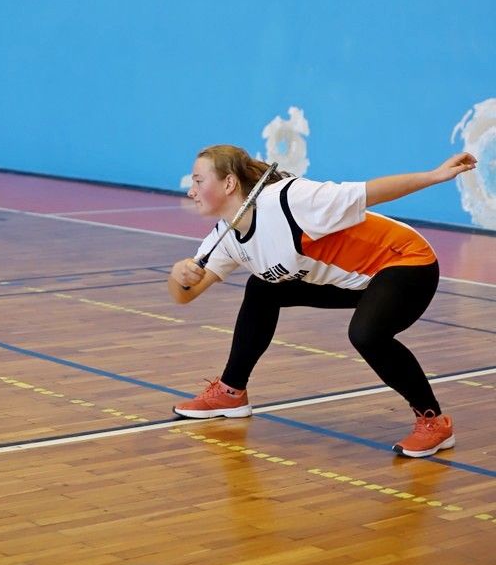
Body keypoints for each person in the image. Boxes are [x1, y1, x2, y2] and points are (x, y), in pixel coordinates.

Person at [168, 144, 477, 458]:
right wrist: (179, 275)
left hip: (407, 261)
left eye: (198, 181)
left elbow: (370, 193)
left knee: (367, 335)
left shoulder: (290, 200)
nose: (191, 191)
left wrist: (435, 176)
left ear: (229, 184)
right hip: (355, 280)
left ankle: (433, 422)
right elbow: (185, 294)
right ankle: (231, 392)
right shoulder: (226, 236)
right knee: (263, 288)